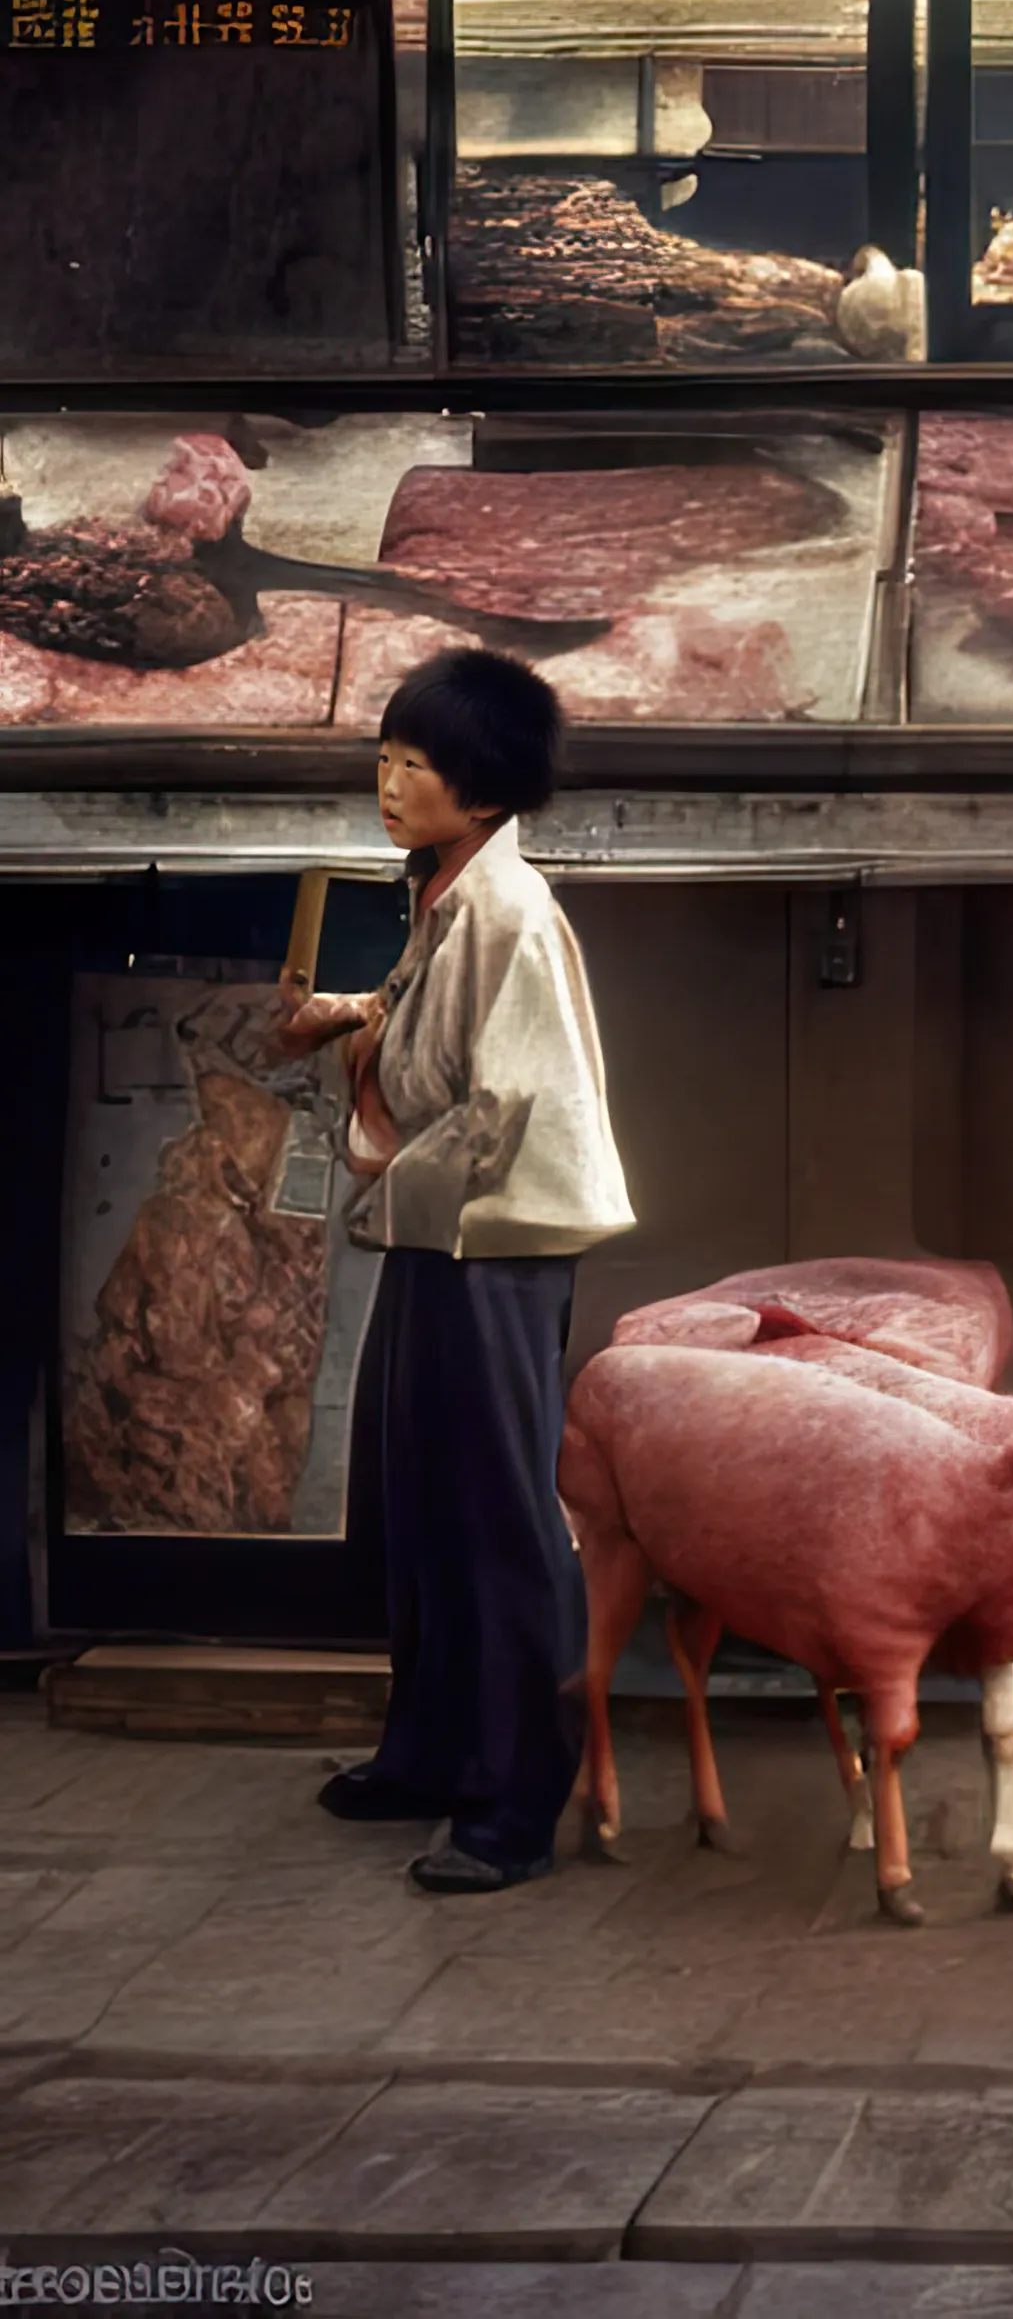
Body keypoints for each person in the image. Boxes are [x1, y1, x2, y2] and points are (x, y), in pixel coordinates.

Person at [276, 650, 633, 1895]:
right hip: (441, 1232)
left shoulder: (512, 914)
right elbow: (427, 1040)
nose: (387, 782)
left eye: (413, 765)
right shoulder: (450, 894)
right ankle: (428, 1751)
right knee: (419, 1504)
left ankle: (515, 1800)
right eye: (383, 756)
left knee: (495, 1520)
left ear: (480, 792)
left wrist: (377, 1171)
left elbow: (505, 1107)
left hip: (491, 1238)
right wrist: (348, 1018)